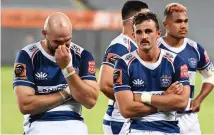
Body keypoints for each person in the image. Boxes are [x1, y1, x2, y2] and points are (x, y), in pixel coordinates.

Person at [13, 12, 99, 134]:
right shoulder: (27, 55)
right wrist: (67, 93)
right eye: (57, 42)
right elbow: (25, 105)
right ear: (44, 34)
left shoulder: (83, 56)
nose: (62, 47)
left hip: (73, 123)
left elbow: (90, 101)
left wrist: (67, 69)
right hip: (39, 124)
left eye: (67, 41)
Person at [113, 12, 190, 134]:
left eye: (148, 31)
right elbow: (126, 109)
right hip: (138, 130)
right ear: (133, 35)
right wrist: (165, 100)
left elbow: (182, 103)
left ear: (158, 33)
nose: (144, 36)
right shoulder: (123, 63)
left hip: (169, 130)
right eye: (139, 32)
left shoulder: (176, 61)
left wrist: (143, 97)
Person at [158, 3, 214, 134]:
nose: (183, 25)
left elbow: (210, 75)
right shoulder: (155, 48)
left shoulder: (195, 49)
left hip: (188, 119)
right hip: (160, 117)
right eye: (178, 21)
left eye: (185, 21)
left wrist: (199, 99)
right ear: (166, 24)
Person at [98, 1, 149, 134]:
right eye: (145, 17)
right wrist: (131, 103)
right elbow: (105, 84)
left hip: (134, 118)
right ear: (133, 21)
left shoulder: (136, 45)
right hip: (121, 121)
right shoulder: (120, 47)